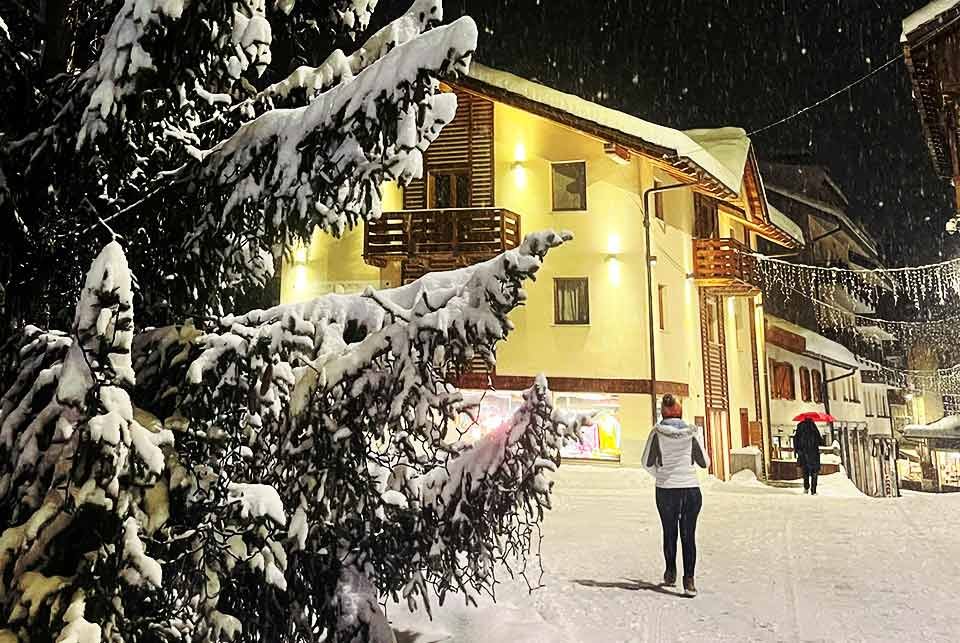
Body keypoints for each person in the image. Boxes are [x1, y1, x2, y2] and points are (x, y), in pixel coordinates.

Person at [641, 395, 710, 597]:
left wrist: (661, 475)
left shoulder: (657, 433)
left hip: (666, 492)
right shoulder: (691, 434)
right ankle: (689, 581)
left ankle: (670, 572)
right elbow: (704, 462)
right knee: (689, 536)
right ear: (680, 413)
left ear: (662, 413)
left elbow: (646, 461)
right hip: (690, 490)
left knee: (669, 532)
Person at [794, 418, 823, 495]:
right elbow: (820, 441)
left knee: (805, 471)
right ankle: (813, 490)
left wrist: (797, 451)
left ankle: (806, 488)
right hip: (813, 454)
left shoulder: (800, 427)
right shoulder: (813, 427)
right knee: (814, 472)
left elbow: (795, 440)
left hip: (803, 454)